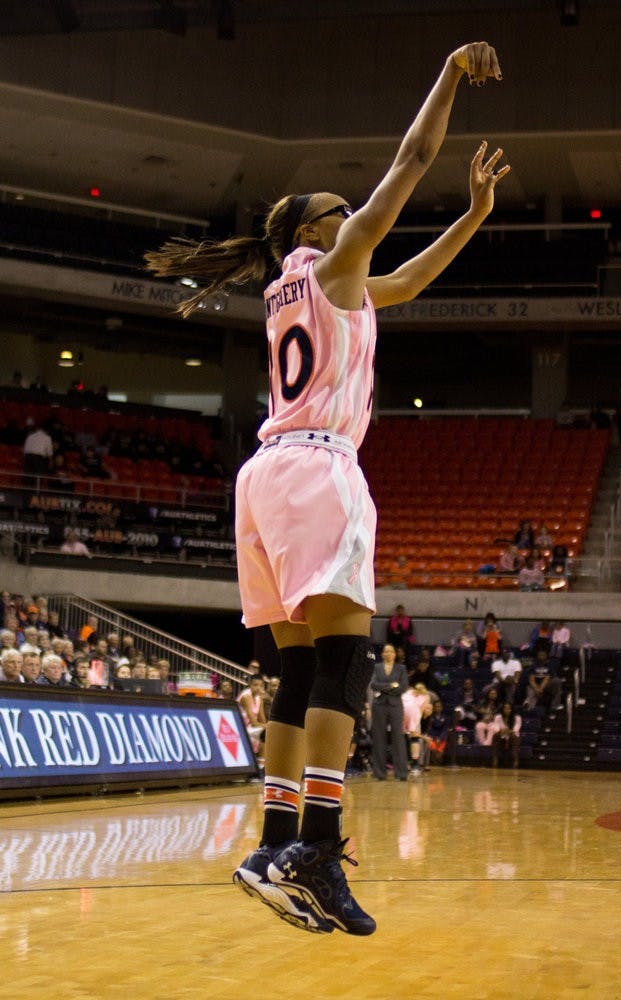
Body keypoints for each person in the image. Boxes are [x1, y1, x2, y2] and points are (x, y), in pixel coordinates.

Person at [147, 39, 506, 937]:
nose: (355, 215)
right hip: (316, 470)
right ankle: (316, 845)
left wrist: (472, 216)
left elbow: (409, 280)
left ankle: (271, 844)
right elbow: (410, 159)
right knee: (345, 661)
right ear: (311, 233)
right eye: (340, 212)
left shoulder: (300, 287)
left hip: (262, 478)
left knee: (298, 668)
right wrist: (449, 74)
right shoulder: (336, 265)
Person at [370, 643, 410, 782]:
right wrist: (391, 686)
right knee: (379, 738)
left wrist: (384, 688)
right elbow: (373, 684)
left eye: (391, 651)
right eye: (386, 651)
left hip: (395, 706)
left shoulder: (401, 668)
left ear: (395, 654)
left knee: (398, 738)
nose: (388, 653)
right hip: (379, 705)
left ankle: (401, 773)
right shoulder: (377, 667)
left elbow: (403, 687)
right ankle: (379, 773)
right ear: (382, 654)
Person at [490, 701, 522, 768]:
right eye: (505, 708)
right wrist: (501, 731)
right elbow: (496, 728)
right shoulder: (498, 717)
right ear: (503, 709)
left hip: (512, 736)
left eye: (509, 708)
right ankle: (495, 759)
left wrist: (508, 731)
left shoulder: (517, 717)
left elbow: (516, 729)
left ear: (511, 709)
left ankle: (516, 760)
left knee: (515, 737)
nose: (507, 710)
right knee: (495, 736)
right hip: (502, 735)